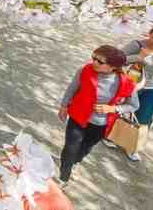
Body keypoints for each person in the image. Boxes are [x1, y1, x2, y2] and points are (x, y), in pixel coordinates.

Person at [57, 45, 139, 186]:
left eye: (100, 62)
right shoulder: (85, 70)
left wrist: (112, 109)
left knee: (84, 149)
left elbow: (133, 105)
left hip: (101, 125)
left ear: (113, 66)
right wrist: (64, 106)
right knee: (70, 148)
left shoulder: (125, 82)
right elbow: (72, 88)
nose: (94, 62)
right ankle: (63, 177)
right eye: (94, 58)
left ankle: (73, 163)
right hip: (78, 117)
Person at [105, 24, 153, 162]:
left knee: (144, 117)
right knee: (119, 111)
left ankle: (133, 146)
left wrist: (148, 59)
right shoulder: (137, 44)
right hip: (130, 84)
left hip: (151, 88)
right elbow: (118, 60)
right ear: (149, 33)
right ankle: (110, 136)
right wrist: (139, 56)